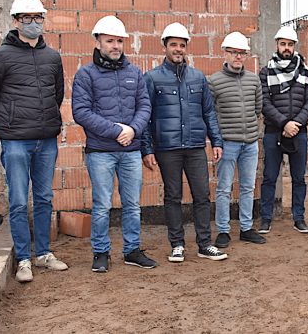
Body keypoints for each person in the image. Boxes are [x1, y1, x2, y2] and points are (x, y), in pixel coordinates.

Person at [0, 0, 68, 282]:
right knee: (17, 200)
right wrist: (6, 128)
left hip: (46, 141)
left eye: (38, 17)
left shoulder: (52, 56)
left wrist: (46, 122)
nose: (33, 23)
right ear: (15, 21)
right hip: (15, 141)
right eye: (27, 18)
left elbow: (57, 95)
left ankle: (43, 253)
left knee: (43, 197)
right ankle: (24, 259)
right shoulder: (0, 56)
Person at [72, 15, 156, 272]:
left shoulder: (134, 73)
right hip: (101, 152)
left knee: (132, 204)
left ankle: (132, 250)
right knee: (102, 205)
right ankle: (101, 252)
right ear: (98, 43)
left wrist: (132, 130)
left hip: (130, 151)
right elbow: (81, 112)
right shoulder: (86, 74)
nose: (115, 46)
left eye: (119, 41)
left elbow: (145, 106)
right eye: (110, 41)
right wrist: (116, 131)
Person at [141, 23, 227, 262]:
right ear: (165, 47)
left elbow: (209, 112)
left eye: (182, 45)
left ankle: (204, 244)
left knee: (202, 194)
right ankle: (177, 244)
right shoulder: (153, 78)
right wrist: (147, 149)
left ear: (186, 48)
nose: (178, 49)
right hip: (167, 148)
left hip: (195, 146)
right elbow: (145, 116)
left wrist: (216, 141)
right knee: (173, 196)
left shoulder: (198, 78)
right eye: (173, 45)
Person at [208, 32, 266, 247]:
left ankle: (246, 228)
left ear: (246, 56)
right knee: (224, 187)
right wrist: (217, 141)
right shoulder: (214, 82)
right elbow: (211, 114)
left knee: (248, 186)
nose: (237, 57)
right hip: (227, 143)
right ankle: (223, 230)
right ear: (225, 53)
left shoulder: (253, 80)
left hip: (250, 143)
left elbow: (257, 108)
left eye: (241, 53)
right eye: (233, 52)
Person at [258, 26, 308, 234]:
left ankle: (298, 217)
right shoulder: (266, 71)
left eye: (290, 44)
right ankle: (265, 218)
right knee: (270, 177)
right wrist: (284, 123)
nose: (286, 48)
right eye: (283, 44)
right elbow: (264, 102)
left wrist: (296, 124)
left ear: (294, 46)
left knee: (299, 178)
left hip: (299, 132)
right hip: (274, 132)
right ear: (277, 45)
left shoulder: (304, 71)